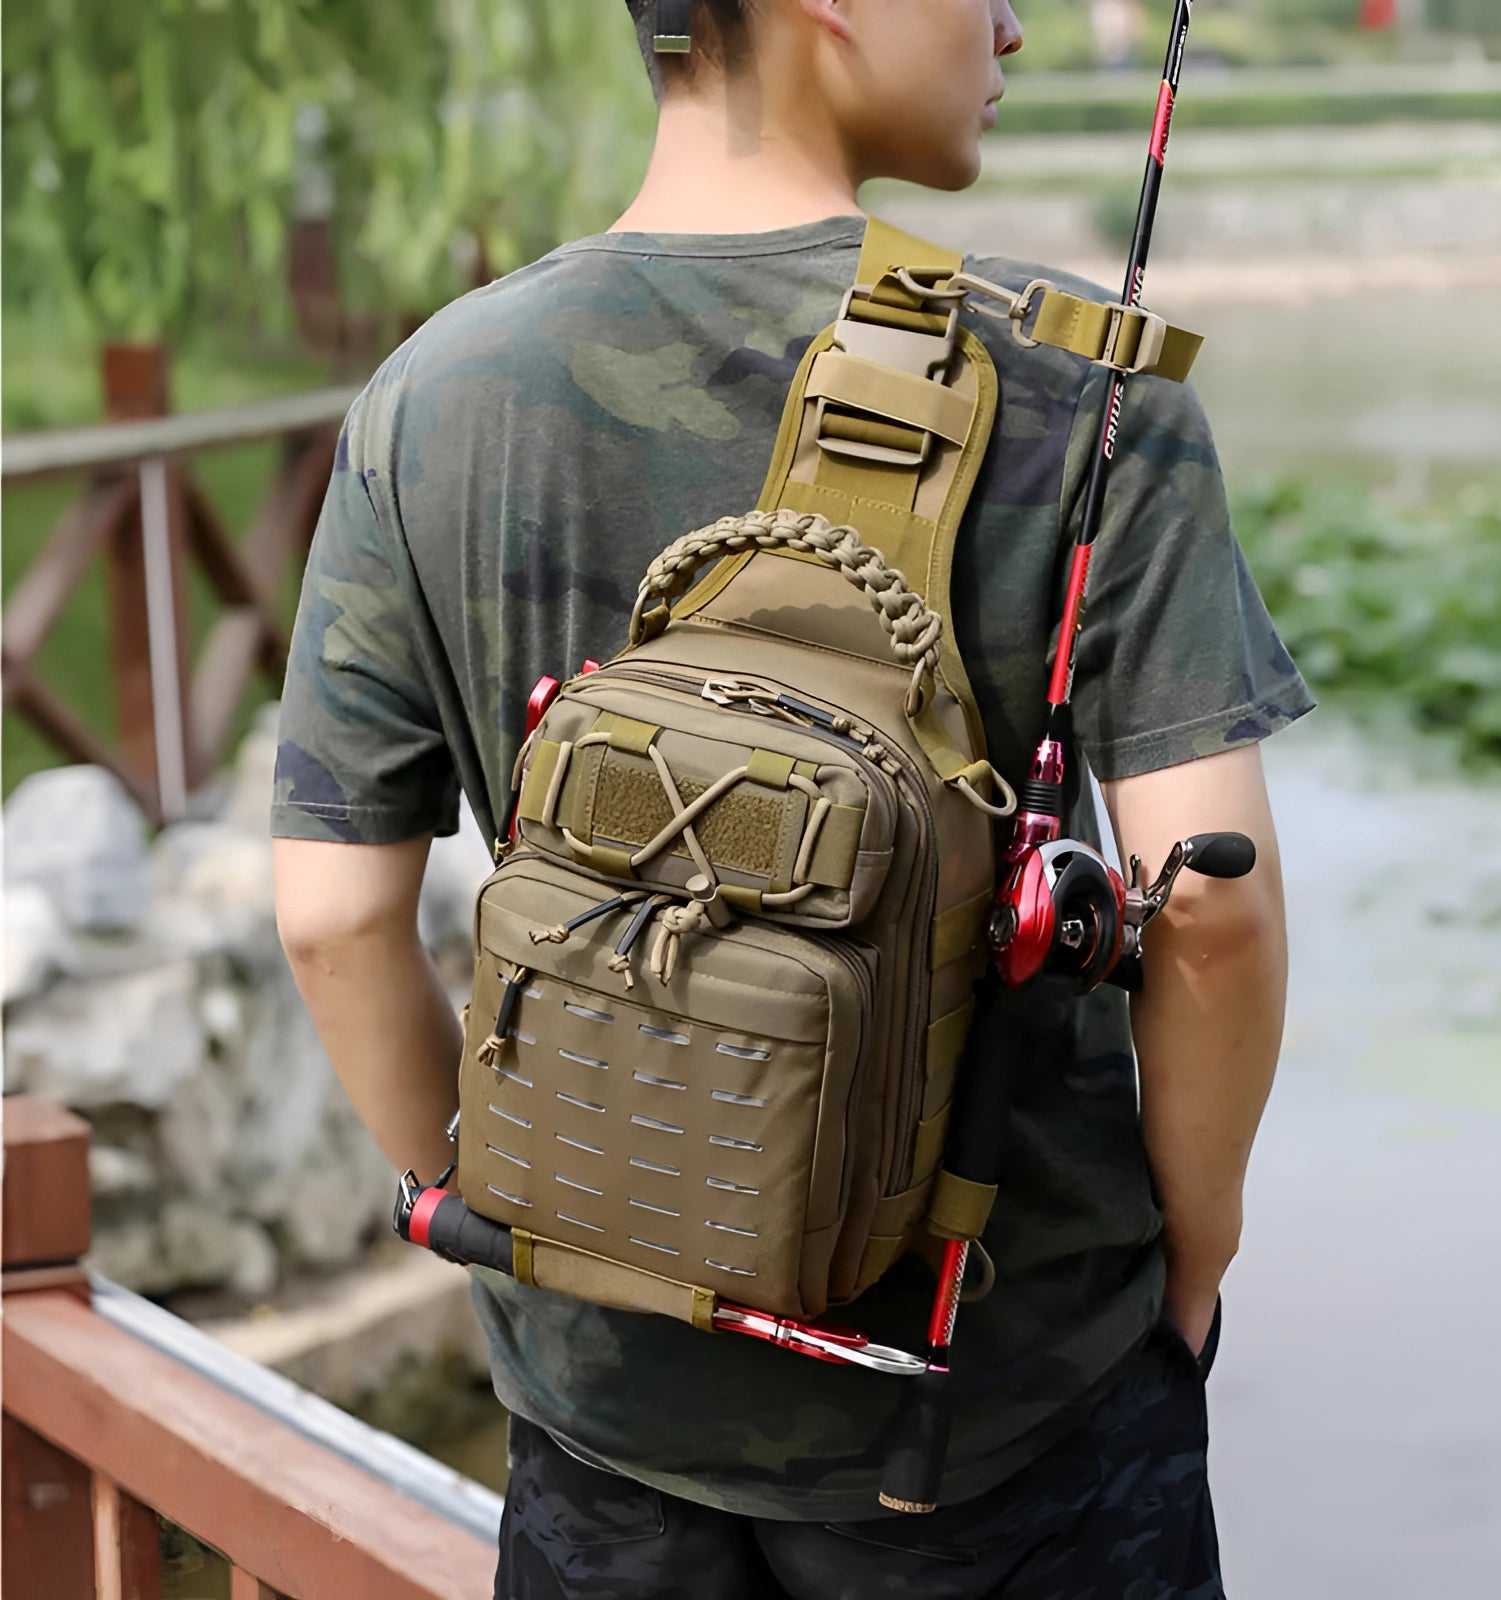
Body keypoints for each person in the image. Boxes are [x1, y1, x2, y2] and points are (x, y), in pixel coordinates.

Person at [272, 2, 1313, 1595]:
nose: (1014, 25)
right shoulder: (1084, 384)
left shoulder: (427, 401)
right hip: (1011, 1430)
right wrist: (1201, 1255)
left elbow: (334, 916)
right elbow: (1214, 905)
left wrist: (522, 1239)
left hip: (604, 1437)